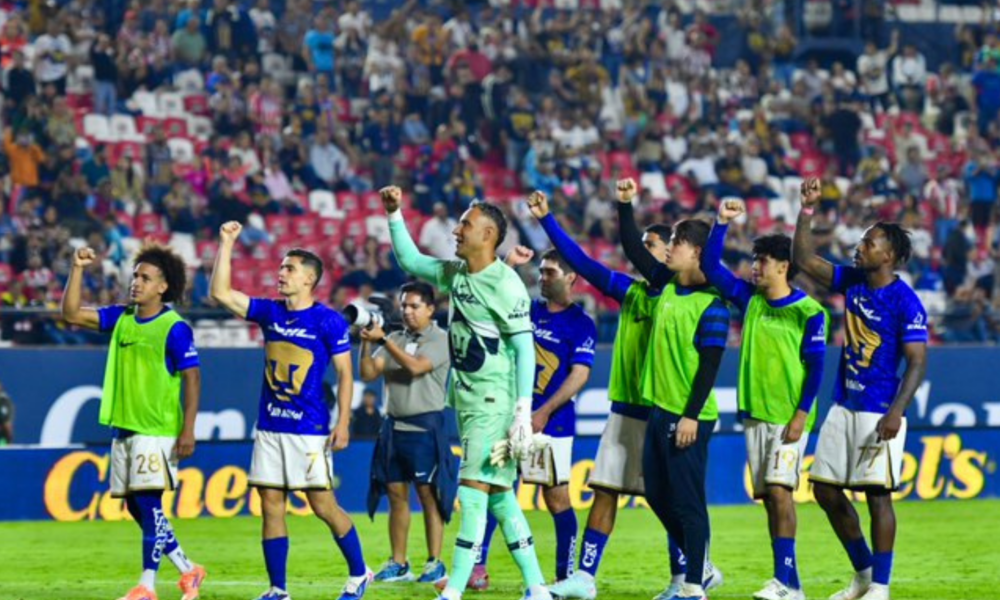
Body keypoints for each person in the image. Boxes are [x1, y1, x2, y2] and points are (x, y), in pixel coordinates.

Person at [528, 190, 722, 600]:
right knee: (605, 488)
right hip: (624, 409)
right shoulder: (630, 291)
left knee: (673, 497)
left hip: (665, 410)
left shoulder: (686, 296)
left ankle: (686, 577)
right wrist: (547, 219)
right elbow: (583, 262)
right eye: (649, 245)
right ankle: (586, 576)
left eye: (656, 246)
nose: (647, 253)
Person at [379, 185, 551, 600]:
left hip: (493, 403)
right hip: (469, 401)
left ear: (488, 235)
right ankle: (537, 586)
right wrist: (394, 213)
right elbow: (411, 260)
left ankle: (453, 589)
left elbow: (525, 349)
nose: (456, 231)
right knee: (500, 499)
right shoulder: (456, 273)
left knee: (471, 493)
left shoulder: (506, 285)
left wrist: (522, 412)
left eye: (465, 225)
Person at [209, 221, 372, 600]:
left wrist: (343, 423)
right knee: (270, 505)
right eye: (281, 267)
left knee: (323, 505)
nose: (280, 274)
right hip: (270, 426)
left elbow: (346, 374)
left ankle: (360, 572)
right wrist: (227, 243)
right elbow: (220, 293)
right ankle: (278, 589)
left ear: (309, 279)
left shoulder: (328, 321)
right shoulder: (269, 312)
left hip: (309, 429)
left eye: (289, 269)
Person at [793, 179, 928, 600]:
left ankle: (880, 588)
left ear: (888, 255)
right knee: (824, 489)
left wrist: (896, 411)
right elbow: (802, 259)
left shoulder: (906, 302)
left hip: (879, 408)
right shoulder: (852, 281)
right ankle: (865, 573)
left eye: (869, 243)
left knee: (877, 496)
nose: (860, 246)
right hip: (844, 404)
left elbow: (917, 361)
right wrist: (807, 210)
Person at [60, 244, 206, 600]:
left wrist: (188, 429)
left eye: (145, 278)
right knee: (136, 506)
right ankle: (189, 569)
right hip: (124, 427)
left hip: (155, 429)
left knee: (150, 504)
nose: (136, 282)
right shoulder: (121, 317)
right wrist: (77, 269)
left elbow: (193, 378)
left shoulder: (174, 328)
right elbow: (71, 314)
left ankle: (147, 586)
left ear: (163, 287)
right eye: (135, 276)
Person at [701, 199, 829, 600]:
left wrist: (801, 414)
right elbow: (710, 267)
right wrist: (721, 223)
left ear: (783, 266)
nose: (754, 267)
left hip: (789, 418)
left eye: (762, 261)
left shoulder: (809, 312)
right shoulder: (750, 301)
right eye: (754, 260)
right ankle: (792, 584)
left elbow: (817, 368)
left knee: (779, 491)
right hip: (756, 414)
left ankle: (783, 581)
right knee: (771, 500)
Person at [617, 178, 729, 600]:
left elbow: (710, 366)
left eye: (677, 241)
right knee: (657, 495)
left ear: (697, 251)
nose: (669, 248)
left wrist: (690, 416)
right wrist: (624, 204)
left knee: (687, 501)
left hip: (689, 416)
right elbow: (633, 249)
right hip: (661, 410)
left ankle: (694, 585)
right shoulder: (665, 283)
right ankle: (703, 566)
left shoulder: (713, 304)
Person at [474, 247, 596, 585]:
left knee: (555, 499)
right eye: (540, 271)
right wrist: (507, 265)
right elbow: (490, 303)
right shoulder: (527, 310)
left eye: (550, 272)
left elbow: (579, 375)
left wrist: (543, 411)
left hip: (551, 422)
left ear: (570, 277)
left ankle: (565, 576)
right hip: (509, 416)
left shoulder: (581, 324)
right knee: (494, 488)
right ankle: (477, 568)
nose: (542, 278)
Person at [359, 281, 455, 585]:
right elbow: (368, 373)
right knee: (396, 496)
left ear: (430, 309)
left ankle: (435, 562)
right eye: (404, 306)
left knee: (428, 496)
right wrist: (366, 342)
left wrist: (384, 341)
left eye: (414, 306)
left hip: (424, 428)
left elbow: (416, 367)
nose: (407, 311)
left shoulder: (441, 339)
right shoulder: (396, 337)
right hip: (393, 429)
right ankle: (399, 563)